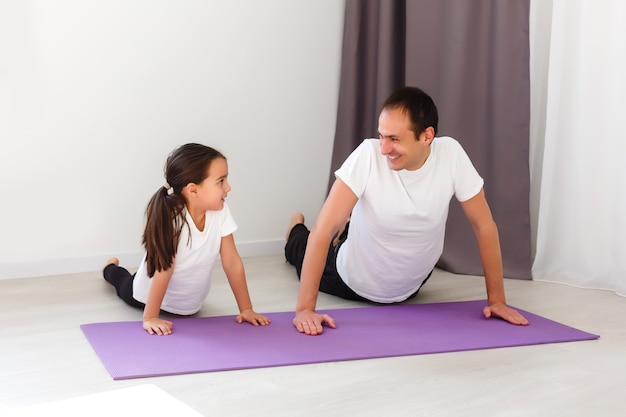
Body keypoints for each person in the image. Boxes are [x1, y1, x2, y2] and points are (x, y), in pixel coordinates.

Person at [285, 86, 529, 336]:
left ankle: (350, 222)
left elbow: (484, 226)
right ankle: (296, 226)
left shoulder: (451, 154)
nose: (383, 149)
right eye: (381, 136)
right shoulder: (368, 155)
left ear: (426, 136)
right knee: (302, 246)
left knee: (349, 225)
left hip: (411, 286)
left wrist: (497, 300)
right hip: (350, 280)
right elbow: (324, 230)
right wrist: (305, 309)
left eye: (394, 139)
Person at [103, 143, 270, 335]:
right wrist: (150, 317)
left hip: (189, 306)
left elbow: (231, 262)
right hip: (146, 297)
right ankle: (110, 267)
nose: (228, 187)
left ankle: (114, 268)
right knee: (121, 280)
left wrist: (246, 309)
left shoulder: (220, 212)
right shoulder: (175, 220)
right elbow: (164, 269)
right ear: (193, 190)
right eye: (221, 181)